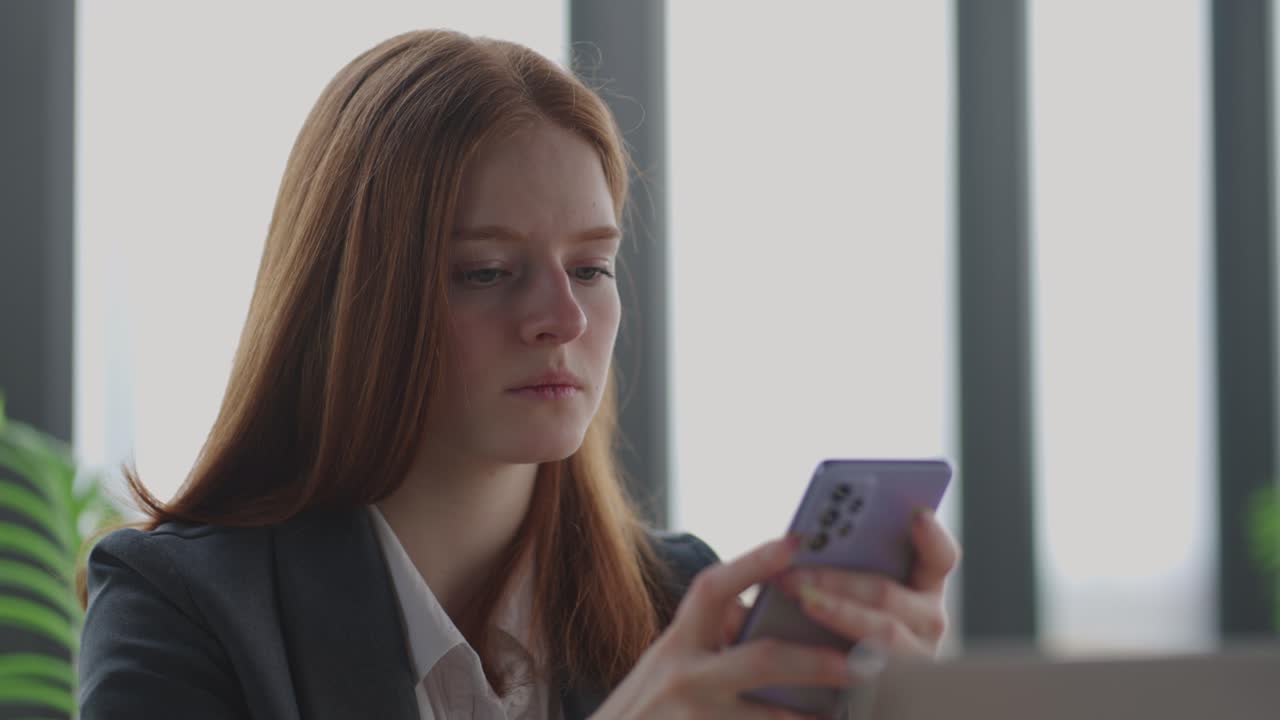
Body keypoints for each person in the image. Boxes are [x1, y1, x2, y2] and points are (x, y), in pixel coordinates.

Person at [77, 29, 960, 720]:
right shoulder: (184, 610)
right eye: (488, 272)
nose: (564, 320)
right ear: (352, 299)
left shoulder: (682, 604)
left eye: (591, 268)